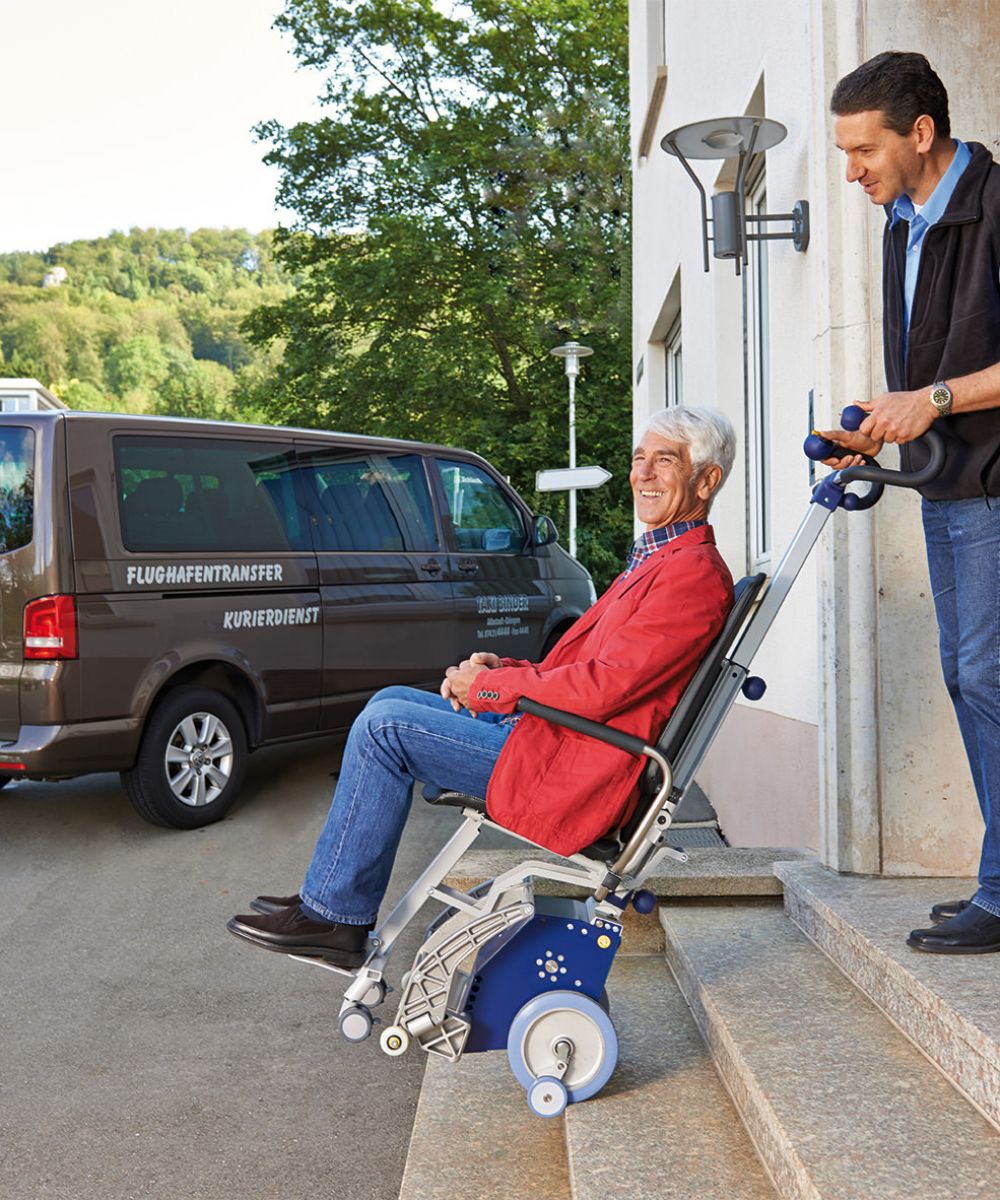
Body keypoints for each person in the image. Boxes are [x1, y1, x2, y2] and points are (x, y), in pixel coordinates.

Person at [227, 405, 736, 967]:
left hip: (573, 767)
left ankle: (332, 919)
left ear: (706, 479)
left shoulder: (689, 575)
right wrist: (500, 669)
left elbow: (604, 687)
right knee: (387, 701)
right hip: (560, 741)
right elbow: (590, 668)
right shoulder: (661, 561)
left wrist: (492, 690)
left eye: (664, 461)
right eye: (640, 458)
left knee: (384, 727)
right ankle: (329, 905)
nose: (643, 473)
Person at [826, 51, 1000, 953]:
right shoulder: (903, 222)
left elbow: (946, 385)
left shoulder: (995, 206)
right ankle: (998, 881)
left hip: (994, 488)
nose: (851, 170)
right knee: (969, 681)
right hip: (947, 487)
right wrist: (878, 424)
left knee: (987, 679)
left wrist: (926, 402)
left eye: (863, 150)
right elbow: (934, 374)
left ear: (920, 133)